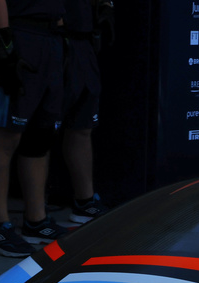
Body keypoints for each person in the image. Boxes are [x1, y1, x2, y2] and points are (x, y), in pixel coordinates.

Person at [0, 0, 72, 257]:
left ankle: (36, 221)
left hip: (51, 37)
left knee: (41, 136)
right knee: (7, 134)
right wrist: (4, 43)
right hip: (19, 36)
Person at [60, 0, 113, 222]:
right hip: (52, 39)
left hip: (85, 41)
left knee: (83, 126)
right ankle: (35, 215)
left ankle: (85, 201)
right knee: (39, 131)